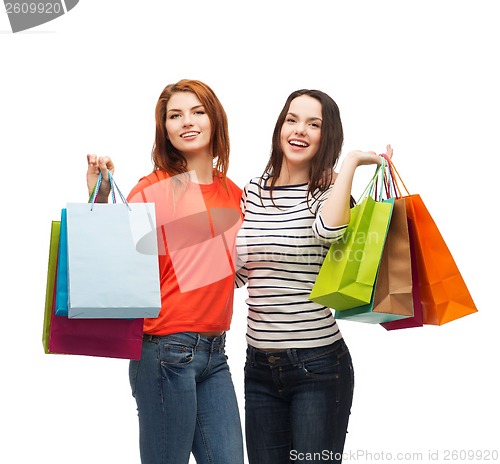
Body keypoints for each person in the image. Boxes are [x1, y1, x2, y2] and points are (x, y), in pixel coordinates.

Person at [86, 79, 245, 464]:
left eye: (197, 111)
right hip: (163, 352)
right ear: (165, 129)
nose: (186, 122)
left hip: (216, 352)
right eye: (175, 115)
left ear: (215, 119)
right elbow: (115, 263)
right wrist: (102, 197)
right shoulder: (153, 189)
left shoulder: (235, 194)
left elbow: (234, 273)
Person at [235, 88, 392, 463]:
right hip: (257, 367)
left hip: (317, 367)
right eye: (292, 119)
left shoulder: (328, 191)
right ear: (280, 127)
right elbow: (239, 275)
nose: (299, 130)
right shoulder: (254, 192)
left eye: (313, 123)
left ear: (327, 136)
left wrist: (351, 163)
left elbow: (328, 230)